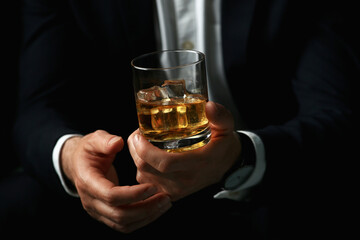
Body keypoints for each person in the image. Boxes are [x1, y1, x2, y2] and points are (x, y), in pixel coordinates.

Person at [9, 0, 358, 238]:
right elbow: (36, 109)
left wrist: (241, 158)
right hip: (127, 183)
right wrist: (71, 158)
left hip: (267, 184)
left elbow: (336, 112)